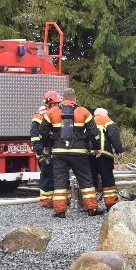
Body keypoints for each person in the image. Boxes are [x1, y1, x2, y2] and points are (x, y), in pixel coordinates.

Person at [39, 87, 101, 218]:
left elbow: (43, 131)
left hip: (59, 153)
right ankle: (91, 209)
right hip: (79, 153)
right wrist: (96, 148)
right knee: (85, 180)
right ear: (75, 98)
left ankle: (60, 211)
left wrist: (46, 146)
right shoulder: (83, 111)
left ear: (63, 98)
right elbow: (94, 132)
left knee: (60, 181)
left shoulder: (52, 112)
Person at [30, 91, 61, 208]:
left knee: (59, 174)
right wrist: (39, 150)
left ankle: (58, 199)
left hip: (56, 148)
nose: (56, 106)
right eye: (54, 104)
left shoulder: (58, 113)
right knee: (47, 174)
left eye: (57, 103)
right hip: (45, 149)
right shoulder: (40, 115)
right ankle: (46, 200)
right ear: (48, 103)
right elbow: (34, 134)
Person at [90, 108, 124, 210]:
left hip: (89, 155)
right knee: (107, 178)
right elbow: (114, 135)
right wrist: (118, 150)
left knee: (91, 179)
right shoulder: (106, 119)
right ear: (103, 114)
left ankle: (91, 206)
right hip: (103, 154)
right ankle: (111, 204)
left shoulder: (90, 121)